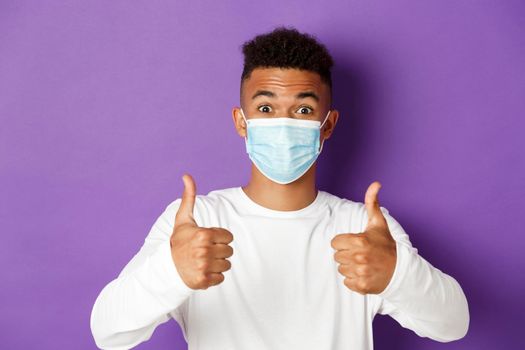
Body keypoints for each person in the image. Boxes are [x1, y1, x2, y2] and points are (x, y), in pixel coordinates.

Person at [90, 26, 469, 349]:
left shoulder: (366, 229)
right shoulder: (196, 221)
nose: (284, 123)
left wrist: (397, 274)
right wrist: (171, 271)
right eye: (266, 109)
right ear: (241, 121)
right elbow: (107, 332)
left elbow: (453, 325)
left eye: (303, 110)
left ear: (329, 124)